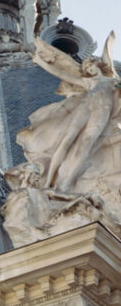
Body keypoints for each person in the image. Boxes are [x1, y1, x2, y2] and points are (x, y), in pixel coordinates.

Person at [17, 35, 121, 192]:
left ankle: (67, 180)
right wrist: (40, 61)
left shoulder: (112, 81)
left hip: (101, 112)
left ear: (98, 65)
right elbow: (62, 75)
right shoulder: (88, 82)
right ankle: (49, 180)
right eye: (86, 68)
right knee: (66, 140)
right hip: (86, 106)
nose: (89, 69)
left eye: (91, 65)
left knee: (85, 145)